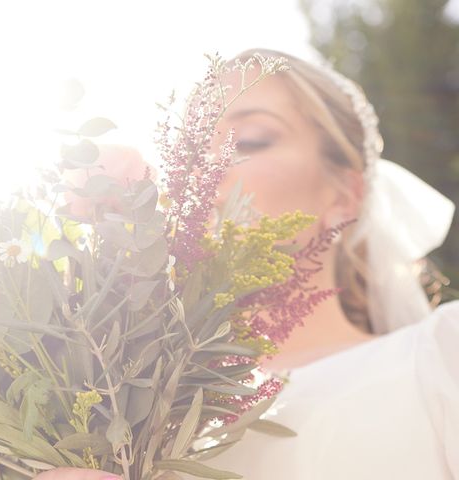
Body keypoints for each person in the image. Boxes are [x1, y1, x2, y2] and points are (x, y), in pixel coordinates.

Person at [37, 49, 459, 479]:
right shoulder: (128, 417)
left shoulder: (441, 357)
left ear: (344, 194)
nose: (204, 173)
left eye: (250, 140)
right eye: (193, 153)